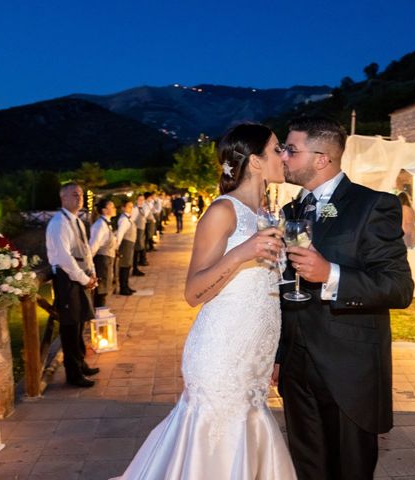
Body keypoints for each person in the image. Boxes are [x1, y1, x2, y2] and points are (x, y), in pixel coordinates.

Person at [112, 123, 297, 479]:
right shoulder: (222, 212)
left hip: (255, 355)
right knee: (217, 444)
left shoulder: (267, 216)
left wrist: (275, 353)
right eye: (277, 149)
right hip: (221, 353)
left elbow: (268, 293)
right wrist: (242, 253)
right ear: (255, 162)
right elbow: (192, 292)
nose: (284, 156)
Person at [274, 117, 414, 479]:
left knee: (349, 468)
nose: (283, 156)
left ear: (321, 158)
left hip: (349, 367)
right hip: (296, 364)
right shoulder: (291, 211)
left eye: (291, 149)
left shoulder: (373, 205)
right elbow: (285, 291)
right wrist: (278, 354)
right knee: (307, 466)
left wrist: (331, 275)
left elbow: (398, 288)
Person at [45, 183, 99, 388]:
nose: (79, 198)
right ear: (63, 198)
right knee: (70, 327)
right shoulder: (59, 223)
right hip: (67, 280)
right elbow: (64, 259)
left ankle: (81, 363)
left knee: (79, 324)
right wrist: (84, 279)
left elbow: (85, 250)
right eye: (74, 195)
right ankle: (73, 373)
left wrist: (91, 272)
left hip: (79, 277)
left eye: (81, 195)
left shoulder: (76, 220)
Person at [90, 198, 117, 308]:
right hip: (102, 261)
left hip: (107, 259)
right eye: (112, 207)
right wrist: (89, 266)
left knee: (105, 289)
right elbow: (93, 246)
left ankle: (103, 318)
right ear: (105, 210)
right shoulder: (100, 225)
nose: (115, 209)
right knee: (101, 291)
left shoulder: (106, 224)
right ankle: (99, 319)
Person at [116, 200, 137, 296]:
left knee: (128, 265)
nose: (131, 209)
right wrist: (117, 246)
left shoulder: (128, 218)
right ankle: (123, 287)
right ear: (123, 208)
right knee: (124, 266)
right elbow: (120, 234)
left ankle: (126, 286)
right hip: (125, 244)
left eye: (132, 207)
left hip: (129, 244)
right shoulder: (124, 220)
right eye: (129, 207)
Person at [132, 194, 148, 276]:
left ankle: (136, 267)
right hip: (137, 231)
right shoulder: (135, 209)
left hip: (141, 230)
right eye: (140, 200)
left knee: (140, 248)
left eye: (143, 200)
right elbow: (132, 221)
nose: (141, 201)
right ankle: (135, 268)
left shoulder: (142, 209)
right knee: (136, 249)